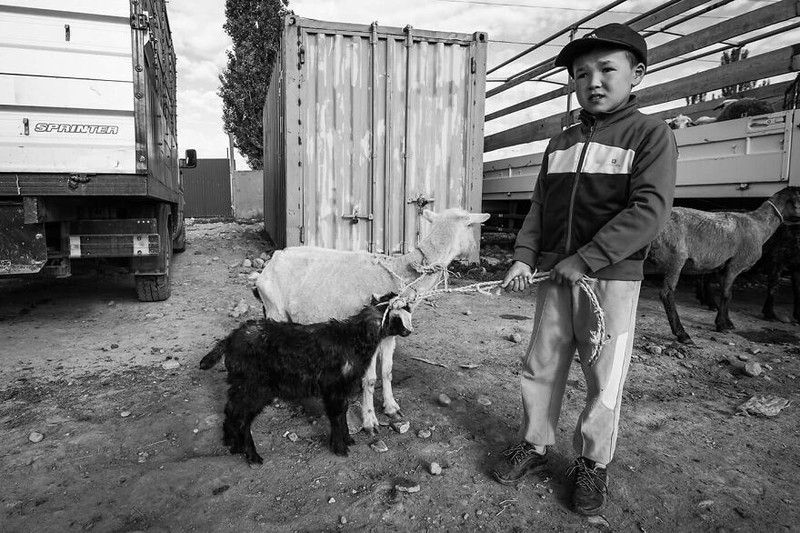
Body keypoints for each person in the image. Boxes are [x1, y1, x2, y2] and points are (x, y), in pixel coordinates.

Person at [491, 23, 677, 516]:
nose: (592, 82)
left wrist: (586, 259)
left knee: (604, 375)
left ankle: (593, 462)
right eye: (580, 74)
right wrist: (524, 255)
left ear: (637, 74)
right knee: (541, 363)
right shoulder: (560, 144)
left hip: (610, 280)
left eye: (606, 70)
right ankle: (534, 443)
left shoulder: (650, 135)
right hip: (556, 276)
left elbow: (649, 211)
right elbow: (539, 206)